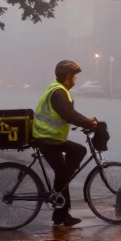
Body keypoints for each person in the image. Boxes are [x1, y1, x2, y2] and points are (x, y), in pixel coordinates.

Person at [32, 60, 99, 227]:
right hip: (47, 139)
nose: (76, 79)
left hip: (50, 138)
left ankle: (61, 215)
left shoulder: (57, 89)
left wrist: (86, 121)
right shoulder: (59, 92)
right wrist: (89, 124)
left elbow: (69, 114)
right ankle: (60, 204)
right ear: (68, 76)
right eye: (75, 76)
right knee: (76, 156)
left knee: (65, 170)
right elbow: (69, 115)